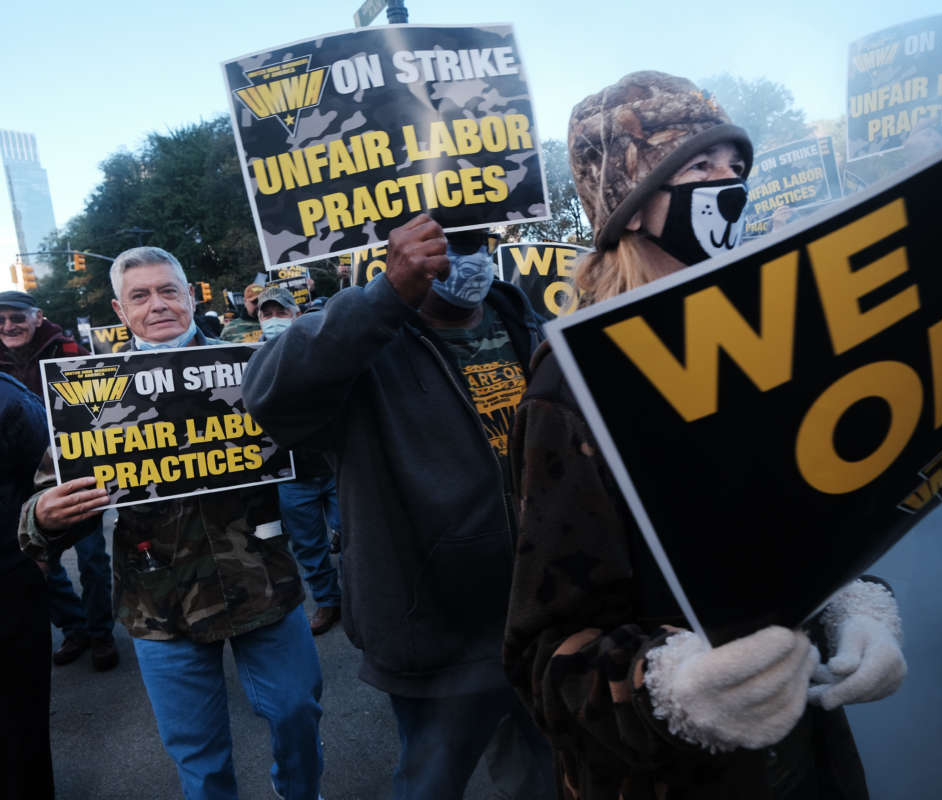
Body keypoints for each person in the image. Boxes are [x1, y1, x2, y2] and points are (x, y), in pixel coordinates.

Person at [502, 72, 907, 799]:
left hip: (804, 757)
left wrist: (856, 605)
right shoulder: (574, 386)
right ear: (631, 206)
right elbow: (547, 659)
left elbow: (813, 517)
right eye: (698, 167)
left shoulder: (763, 340)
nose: (729, 185)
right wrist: (673, 689)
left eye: (735, 167)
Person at [244, 221, 552, 799]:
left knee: (546, 777)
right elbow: (268, 395)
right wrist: (387, 296)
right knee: (430, 783)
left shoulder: (529, 322)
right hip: (435, 632)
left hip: (542, 615)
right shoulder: (365, 340)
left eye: (476, 244)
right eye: (444, 243)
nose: (465, 260)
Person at [18, 246, 324, 800]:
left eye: (168, 291)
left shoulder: (253, 367)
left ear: (190, 296)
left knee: (298, 711)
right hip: (157, 604)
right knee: (198, 754)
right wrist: (41, 516)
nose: (157, 305)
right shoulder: (89, 396)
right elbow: (47, 502)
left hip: (262, 585)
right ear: (119, 309)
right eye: (140, 295)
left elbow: (318, 452)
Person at [0, 289, 118, 671]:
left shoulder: (68, 351)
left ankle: (101, 634)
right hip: (18, 476)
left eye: (16, 317)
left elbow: (100, 408)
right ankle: (75, 627)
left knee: (92, 555)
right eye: (0, 319)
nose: (8, 326)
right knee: (32, 556)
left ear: (37, 317)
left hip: (72, 468)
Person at [257, 286, 343, 635]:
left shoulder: (320, 348)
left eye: (281, 312)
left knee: (354, 538)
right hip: (290, 474)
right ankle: (327, 602)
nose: (274, 320)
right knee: (310, 547)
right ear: (258, 318)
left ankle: (362, 599)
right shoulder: (249, 358)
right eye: (267, 313)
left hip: (335, 465)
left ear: (295, 313)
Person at [1, 370, 54, 799]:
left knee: (19, 719)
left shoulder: (9, 400)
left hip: (9, 578)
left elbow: (51, 480)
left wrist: (39, 549)